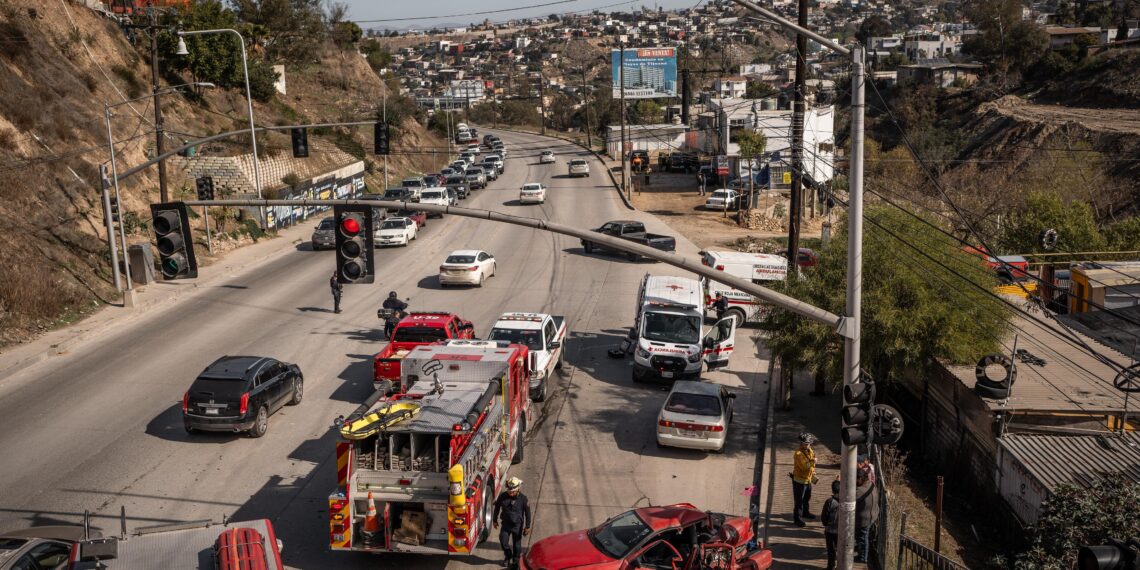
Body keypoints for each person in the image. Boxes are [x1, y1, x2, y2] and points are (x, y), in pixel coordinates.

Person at [493, 477, 532, 568]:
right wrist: (494, 520)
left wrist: (527, 526)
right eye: (509, 491)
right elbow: (497, 507)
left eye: (513, 491)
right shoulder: (503, 496)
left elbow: (528, 513)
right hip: (506, 524)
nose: (510, 493)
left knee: (517, 545)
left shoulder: (523, 499)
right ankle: (508, 555)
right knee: (503, 541)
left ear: (518, 489)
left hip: (517, 526)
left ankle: (515, 561)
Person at [791, 432, 817, 527]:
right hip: (800, 481)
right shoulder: (798, 454)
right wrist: (813, 462)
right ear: (801, 443)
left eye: (809, 444)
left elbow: (811, 463)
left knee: (806, 498)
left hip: (808, 480)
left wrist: (813, 471)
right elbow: (804, 467)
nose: (808, 445)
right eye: (806, 444)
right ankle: (797, 518)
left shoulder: (810, 450)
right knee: (799, 501)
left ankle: (805, 512)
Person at [854, 469, 879, 563]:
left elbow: (848, 498)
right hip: (873, 514)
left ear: (860, 478)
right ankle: (861, 549)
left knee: (863, 537)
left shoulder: (860, 490)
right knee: (864, 536)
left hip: (864, 518)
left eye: (855, 479)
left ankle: (863, 557)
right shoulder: (871, 484)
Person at [820, 480, 841, 570]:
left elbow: (824, 518)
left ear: (832, 490)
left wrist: (826, 524)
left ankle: (831, 566)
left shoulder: (829, 502)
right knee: (841, 550)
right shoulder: (847, 500)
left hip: (830, 531)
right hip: (842, 531)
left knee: (831, 550)